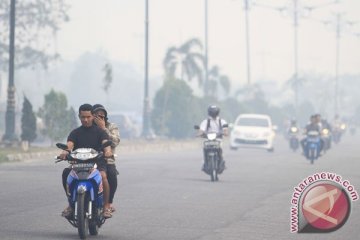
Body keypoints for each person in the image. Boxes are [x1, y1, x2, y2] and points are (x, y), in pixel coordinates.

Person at [60, 103, 113, 218]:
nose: (85, 120)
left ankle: (106, 207)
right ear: (79, 116)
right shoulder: (75, 132)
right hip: (78, 163)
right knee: (66, 174)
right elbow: (69, 145)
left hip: (97, 163)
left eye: (88, 117)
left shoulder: (100, 132)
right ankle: (71, 204)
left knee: (103, 176)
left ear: (93, 116)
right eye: (83, 117)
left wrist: (108, 151)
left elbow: (106, 144)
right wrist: (65, 152)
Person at [92, 104, 120, 213]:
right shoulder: (89, 128)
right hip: (90, 159)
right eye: (96, 116)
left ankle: (108, 203)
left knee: (112, 174)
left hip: (107, 160)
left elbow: (115, 142)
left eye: (102, 116)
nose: (99, 119)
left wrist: (103, 129)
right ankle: (73, 203)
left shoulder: (111, 127)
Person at [197, 105, 228, 174]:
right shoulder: (206, 121)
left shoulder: (222, 121)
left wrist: (225, 132)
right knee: (205, 149)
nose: (213, 114)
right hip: (208, 139)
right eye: (212, 112)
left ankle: (221, 162)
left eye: (214, 112)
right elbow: (201, 130)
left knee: (220, 149)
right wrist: (199, 133)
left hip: (218, 139)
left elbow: (225, 129)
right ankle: (204, 163)